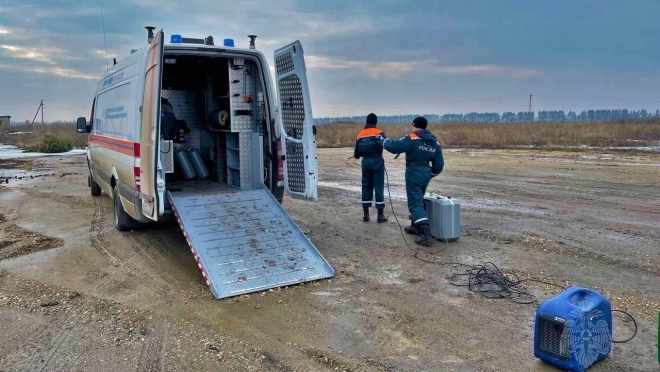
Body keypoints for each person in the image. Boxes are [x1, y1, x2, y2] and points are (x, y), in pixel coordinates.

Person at [378, 116, 444, 246]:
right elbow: (439, 164)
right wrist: (431, 174)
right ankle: (415, 226)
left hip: (413, 172)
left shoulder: (412, 138)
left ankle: (426, 234)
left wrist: (382, 140)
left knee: (415, 203)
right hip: (425, 173)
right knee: (419, 198)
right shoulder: (435, 142)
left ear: (414, 125)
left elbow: (394, 146)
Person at [354, 113, 388, 223]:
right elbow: (388, 144)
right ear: (375, 122)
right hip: (377, 161)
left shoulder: (360, 135)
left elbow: (356, 154)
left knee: (366, 187)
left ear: (367, 121)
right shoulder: (379, 133)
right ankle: (380, 216)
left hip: (366, 163)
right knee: (379, 187)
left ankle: (366, 215)